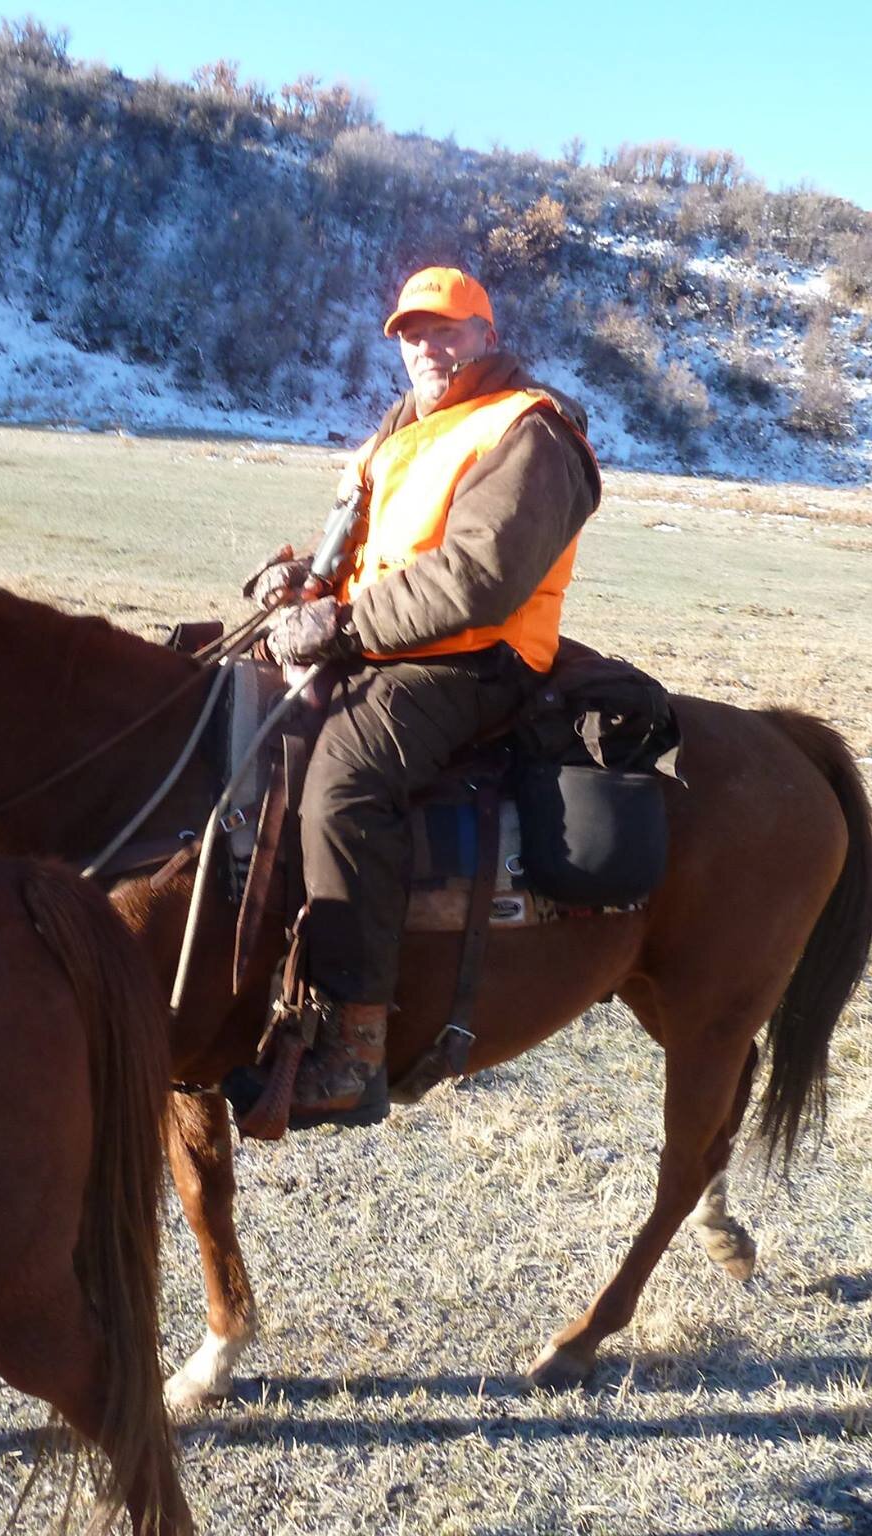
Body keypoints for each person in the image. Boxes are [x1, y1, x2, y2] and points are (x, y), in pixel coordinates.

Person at [245, 265, 602, 1128]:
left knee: (343, 782)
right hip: (388, 639)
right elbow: (354, 546)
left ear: (486, 334)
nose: (428, 347)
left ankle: (353, 1045)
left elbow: (478, 581)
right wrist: (299, 579)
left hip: (478, 658)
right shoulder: (399, 432)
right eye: (413, 333)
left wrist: (338, 628)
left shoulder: (528, 429)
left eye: (447, 330)